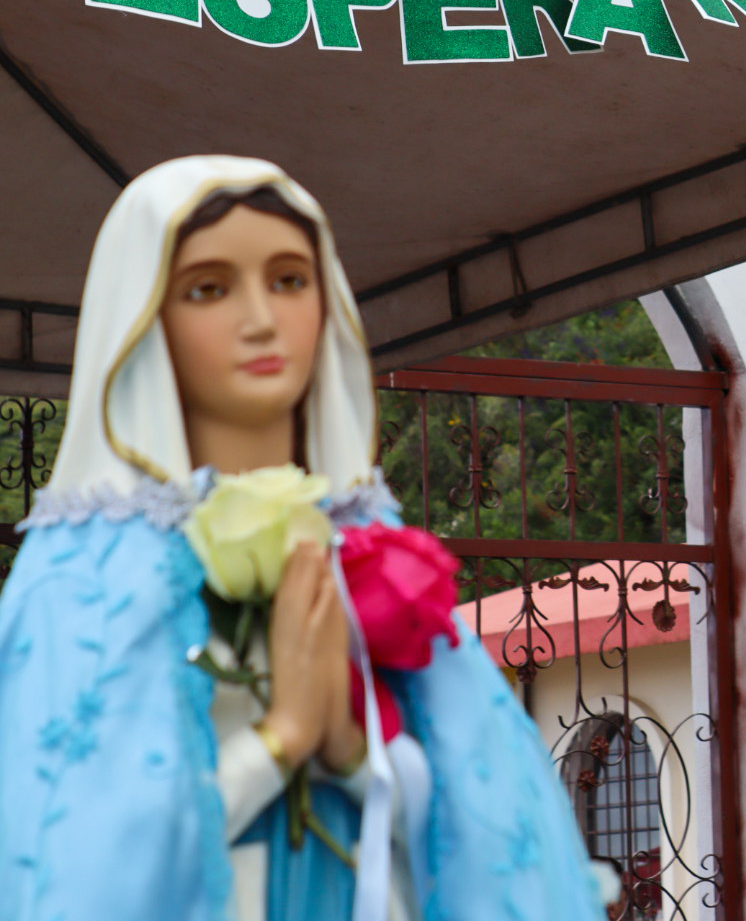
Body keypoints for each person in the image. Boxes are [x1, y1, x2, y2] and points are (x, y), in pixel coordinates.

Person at [0, 156, 600, 921]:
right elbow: (75, 864)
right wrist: (280, 739)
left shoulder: (362, 540)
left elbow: (486, 818)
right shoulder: (85, 575)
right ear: (144, 314)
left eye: (288, 279)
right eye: (210, 288)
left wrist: (351, 749)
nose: (261, 319)